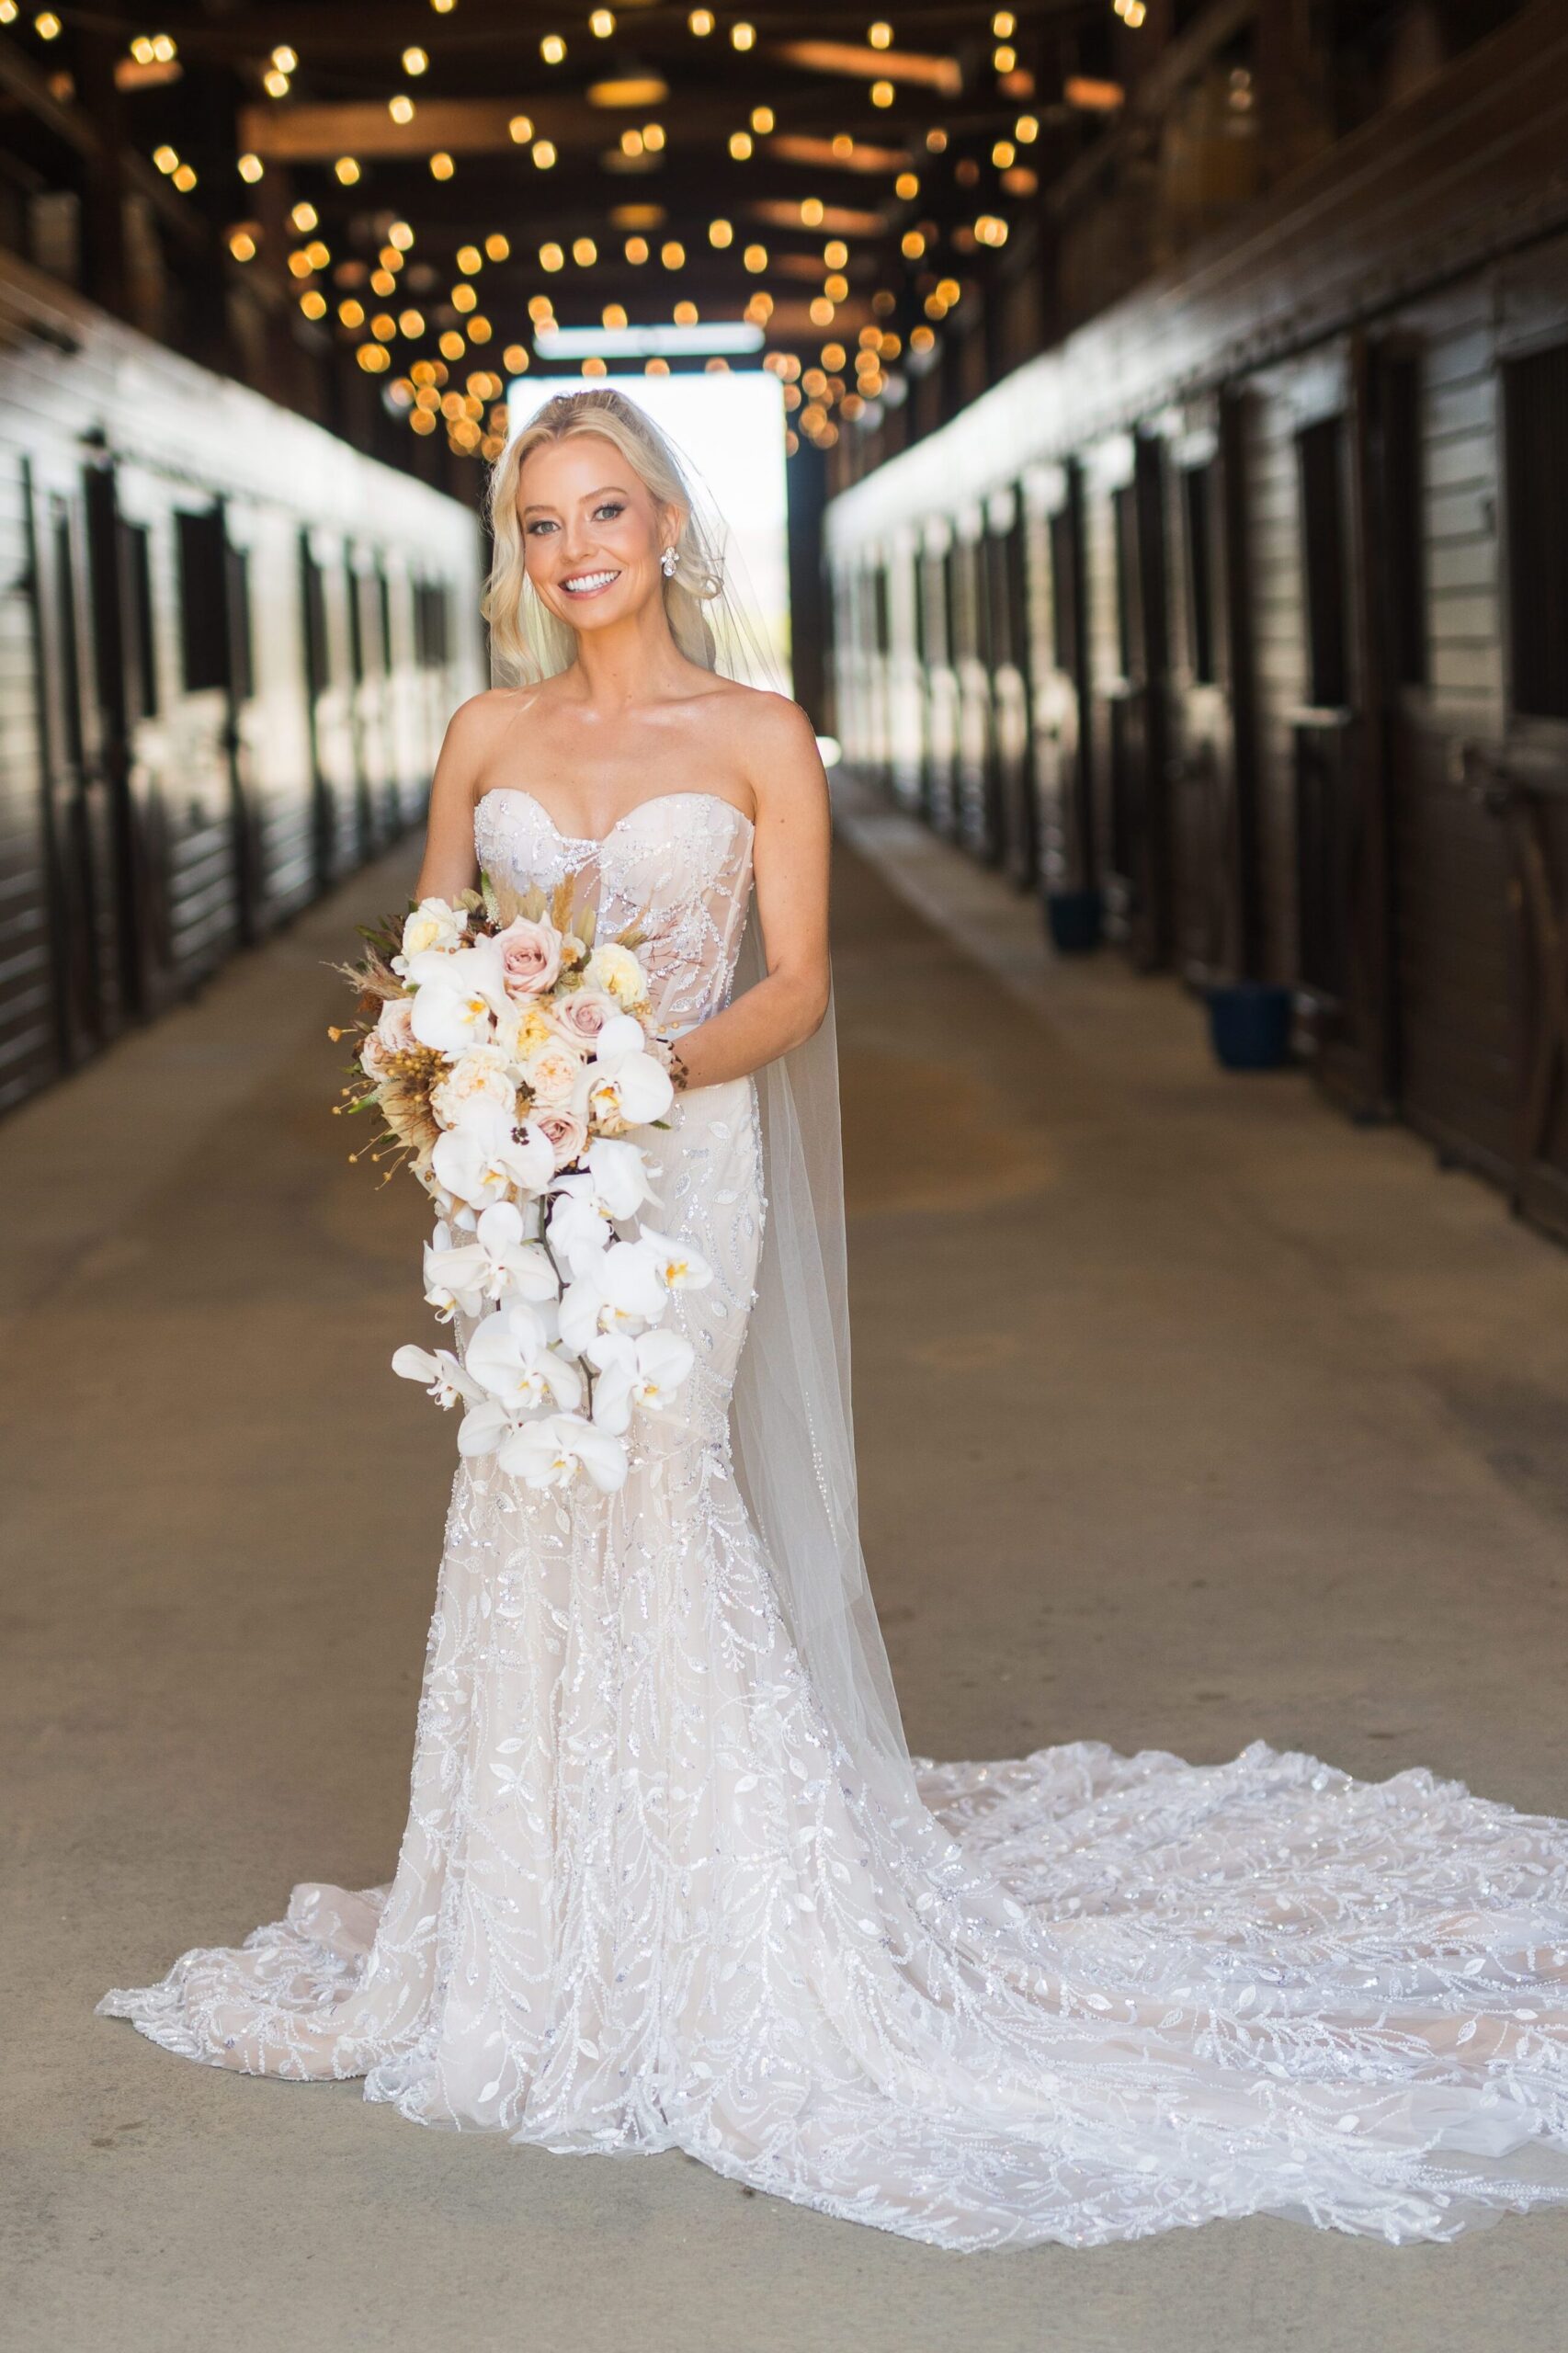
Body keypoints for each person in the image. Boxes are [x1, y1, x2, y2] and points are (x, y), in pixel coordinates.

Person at [98, 389, 1568, 2250]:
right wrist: (464, 1082)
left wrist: (620, 1075)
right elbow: (431, 970)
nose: (577, 550)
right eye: (543, 522)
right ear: (518, 552)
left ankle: (724, 1914)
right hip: (519, 1187)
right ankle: (531, 1911)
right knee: (528, 1491)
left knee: (654, 1480)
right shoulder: (486, 733)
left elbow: (791, 986)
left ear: (668, 522)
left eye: (605, 508)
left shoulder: (760, 733)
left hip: (681, 1160)